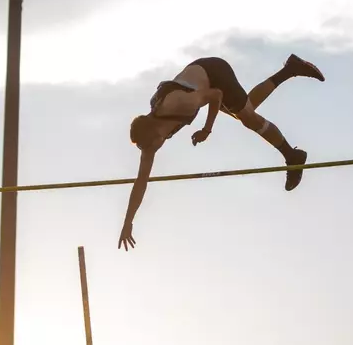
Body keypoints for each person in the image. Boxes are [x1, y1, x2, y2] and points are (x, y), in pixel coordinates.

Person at [118, 54, 325, 250]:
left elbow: (216, 94)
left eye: (153, 146)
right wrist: (128, 222)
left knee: (248, 118)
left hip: (214, 71)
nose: (153, 151)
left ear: (155, 130)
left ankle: (292, 156)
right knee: (246, 109)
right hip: (200, 80)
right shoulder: (150, 139)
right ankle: (290, 69)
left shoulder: (179, 103)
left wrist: (207, 130)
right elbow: (141, 181)